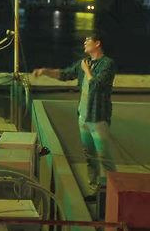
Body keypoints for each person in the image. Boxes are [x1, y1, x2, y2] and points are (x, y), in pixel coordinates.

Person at [32, 33, 116, 200]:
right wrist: (45, 71)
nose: (84, 42)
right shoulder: (84, 63)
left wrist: (87, 71)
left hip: (98, 118)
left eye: (88, 40)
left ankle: (113, 192)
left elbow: (97, 85)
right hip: (83, 117)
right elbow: (65, 74)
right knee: (89, 156)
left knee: (104, 157)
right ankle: (94, 190)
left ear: (98, 43)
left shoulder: (107, 64)